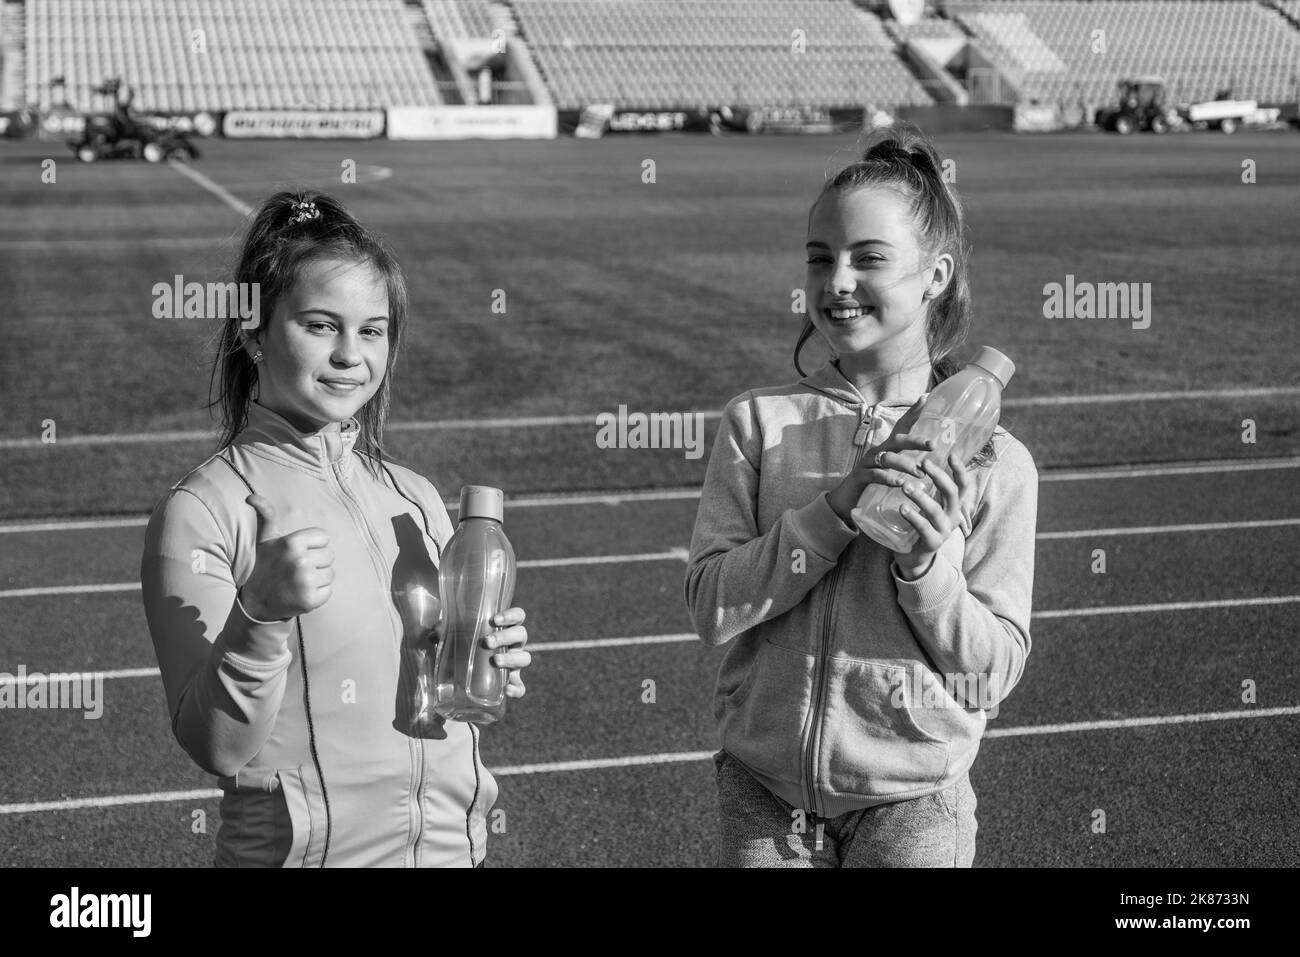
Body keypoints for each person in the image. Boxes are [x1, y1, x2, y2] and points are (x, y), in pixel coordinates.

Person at [140, 190, 530, 867]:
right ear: (253, 333)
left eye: (372, 330)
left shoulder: (415, 498)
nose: (352, 354)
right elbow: (217, 745)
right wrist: (259, 615)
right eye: (321, 325)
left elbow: (440, 700)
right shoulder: (204, 509)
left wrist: (483, 664)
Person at [684, 124, 1038, 867]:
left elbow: (993, 672)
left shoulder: (998, 462)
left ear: (936, 275)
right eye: (821, 258)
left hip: (913, 806)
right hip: (762, 795)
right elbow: (713, 606)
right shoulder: (758, 422)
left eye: (869, 258)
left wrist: (925, 571)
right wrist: (833, 513)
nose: (837, 280)